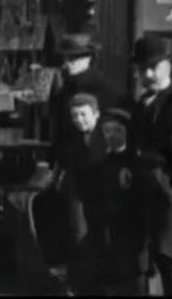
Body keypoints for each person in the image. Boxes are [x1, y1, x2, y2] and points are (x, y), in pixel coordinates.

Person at [130, 35, 172, 296]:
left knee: (171, 252)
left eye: (153, 67)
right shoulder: (143, 102)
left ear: (168, 65)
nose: (148, 74)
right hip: (142, 180)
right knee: (149, 252)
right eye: (142, 68)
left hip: (169, 182)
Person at [50, 93, 108, 295]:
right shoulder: (73, 137)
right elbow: (65, 163)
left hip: (102, 195)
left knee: (101, 239)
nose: (79, 120)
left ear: (96, 114)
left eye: (83, 115)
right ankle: (81, 285)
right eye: (75, 116)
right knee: (80, 237)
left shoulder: (106, 136)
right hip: (78, 194)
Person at [95, 107, 143, 295]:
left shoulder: (133, 162)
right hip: (107, 224)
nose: (112, 135)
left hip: (130, 225)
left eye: (117, 130)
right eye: (107, 131)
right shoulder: (102, 160)